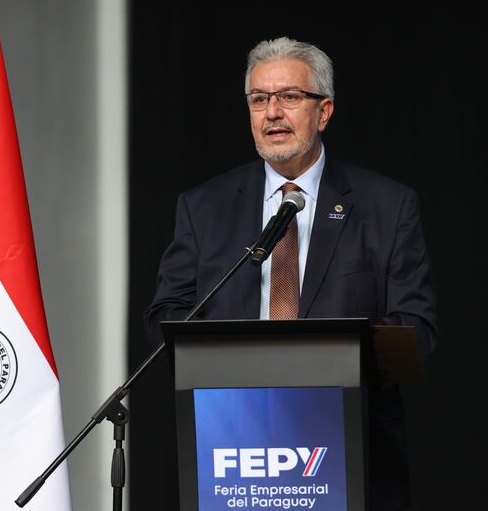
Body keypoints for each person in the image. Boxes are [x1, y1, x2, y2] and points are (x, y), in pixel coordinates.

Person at [145, 36, 437, 511]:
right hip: (233, 445)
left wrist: (326, 357)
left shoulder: (387, 205)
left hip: (350, 447)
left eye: (290, 97)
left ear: (324, 111)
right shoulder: (204, 207)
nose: (273, 113)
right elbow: (167, 316)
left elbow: (417, 328)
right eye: (259, 99)